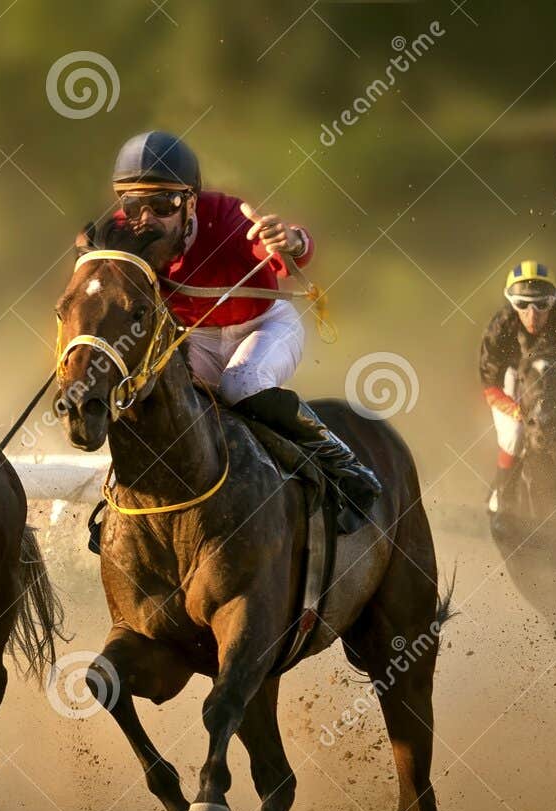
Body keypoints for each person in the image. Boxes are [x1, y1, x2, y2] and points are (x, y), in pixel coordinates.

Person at [107, 130, 381, 533]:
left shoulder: (230, 217)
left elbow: (284, 248)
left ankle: (346, 466)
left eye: (163, 203)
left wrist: (291, 240)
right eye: (133, 205)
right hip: (194, 336)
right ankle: (117, 497)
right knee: (148, 385)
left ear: (191, 202)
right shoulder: (122, 231)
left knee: (241, 383)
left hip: (264, 325)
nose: (146, 221)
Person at [479, 260, 556, 527]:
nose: (532, 315)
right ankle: (503, 491)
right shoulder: (501, 327)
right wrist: (516, 411)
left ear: (553, 302)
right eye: (522, 305)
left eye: (541, 305)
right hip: (517, 381)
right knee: (513, 436)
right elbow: (489, 383)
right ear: (512, 304)